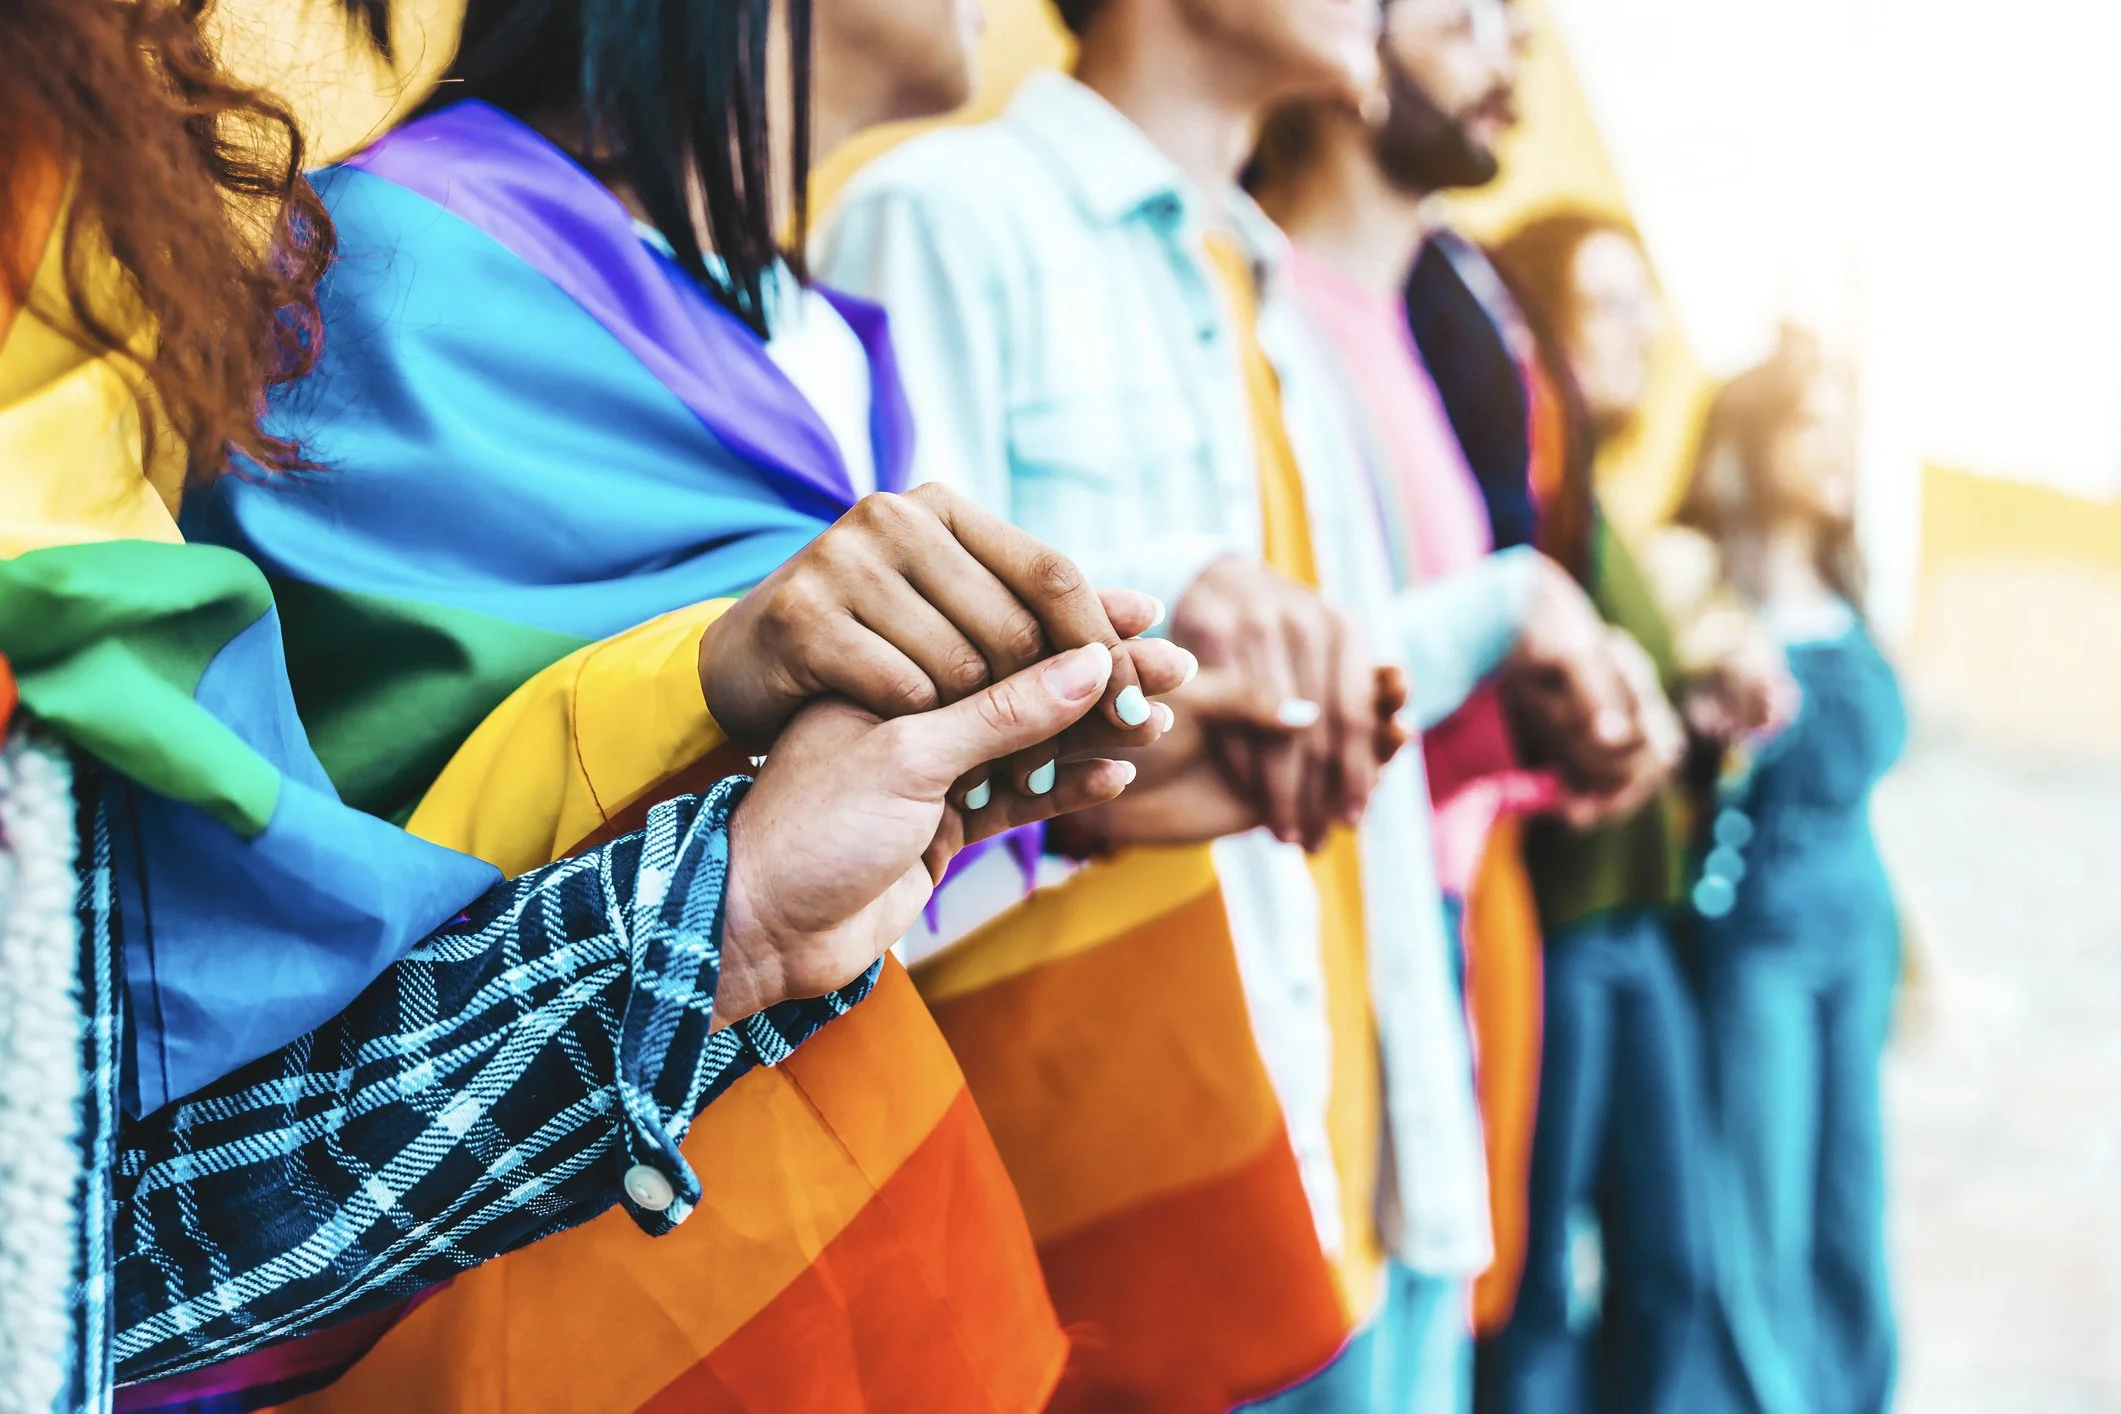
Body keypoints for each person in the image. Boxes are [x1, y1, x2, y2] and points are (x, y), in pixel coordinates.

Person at [0, 1, 1185, 1409]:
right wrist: (706, 712)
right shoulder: (384, 267)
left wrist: (1075, 777)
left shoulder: (825, 335)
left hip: (751, 1273)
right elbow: (276, 933)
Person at [816, 1, 1675, 1408]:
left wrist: (1520, 621)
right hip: (1115, 1232)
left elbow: (1319, 681)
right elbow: (886, 765)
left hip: (1350, 1161)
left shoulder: (1271, 296)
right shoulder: (945, 223)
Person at [1479, 207, 1797, 1414]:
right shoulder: (1529, 508)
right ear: (1535, 330)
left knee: (1673, 1268)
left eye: (1644, 304)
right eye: (1609, 305)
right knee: (1537, 1285)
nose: (1644, 334)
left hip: (1636, 928)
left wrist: (1700, 709)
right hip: (1557, 936)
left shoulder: (1599, 515)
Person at [1654, 334, 1905, 1414]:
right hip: (1758, 930)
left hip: (1860, 927)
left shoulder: (1848, 583)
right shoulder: (1700, 581)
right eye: (1810, 417)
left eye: (1843, 416)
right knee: (1758, 1212)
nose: (1838, 440)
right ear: (1751, 440)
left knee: (1853, 1201)